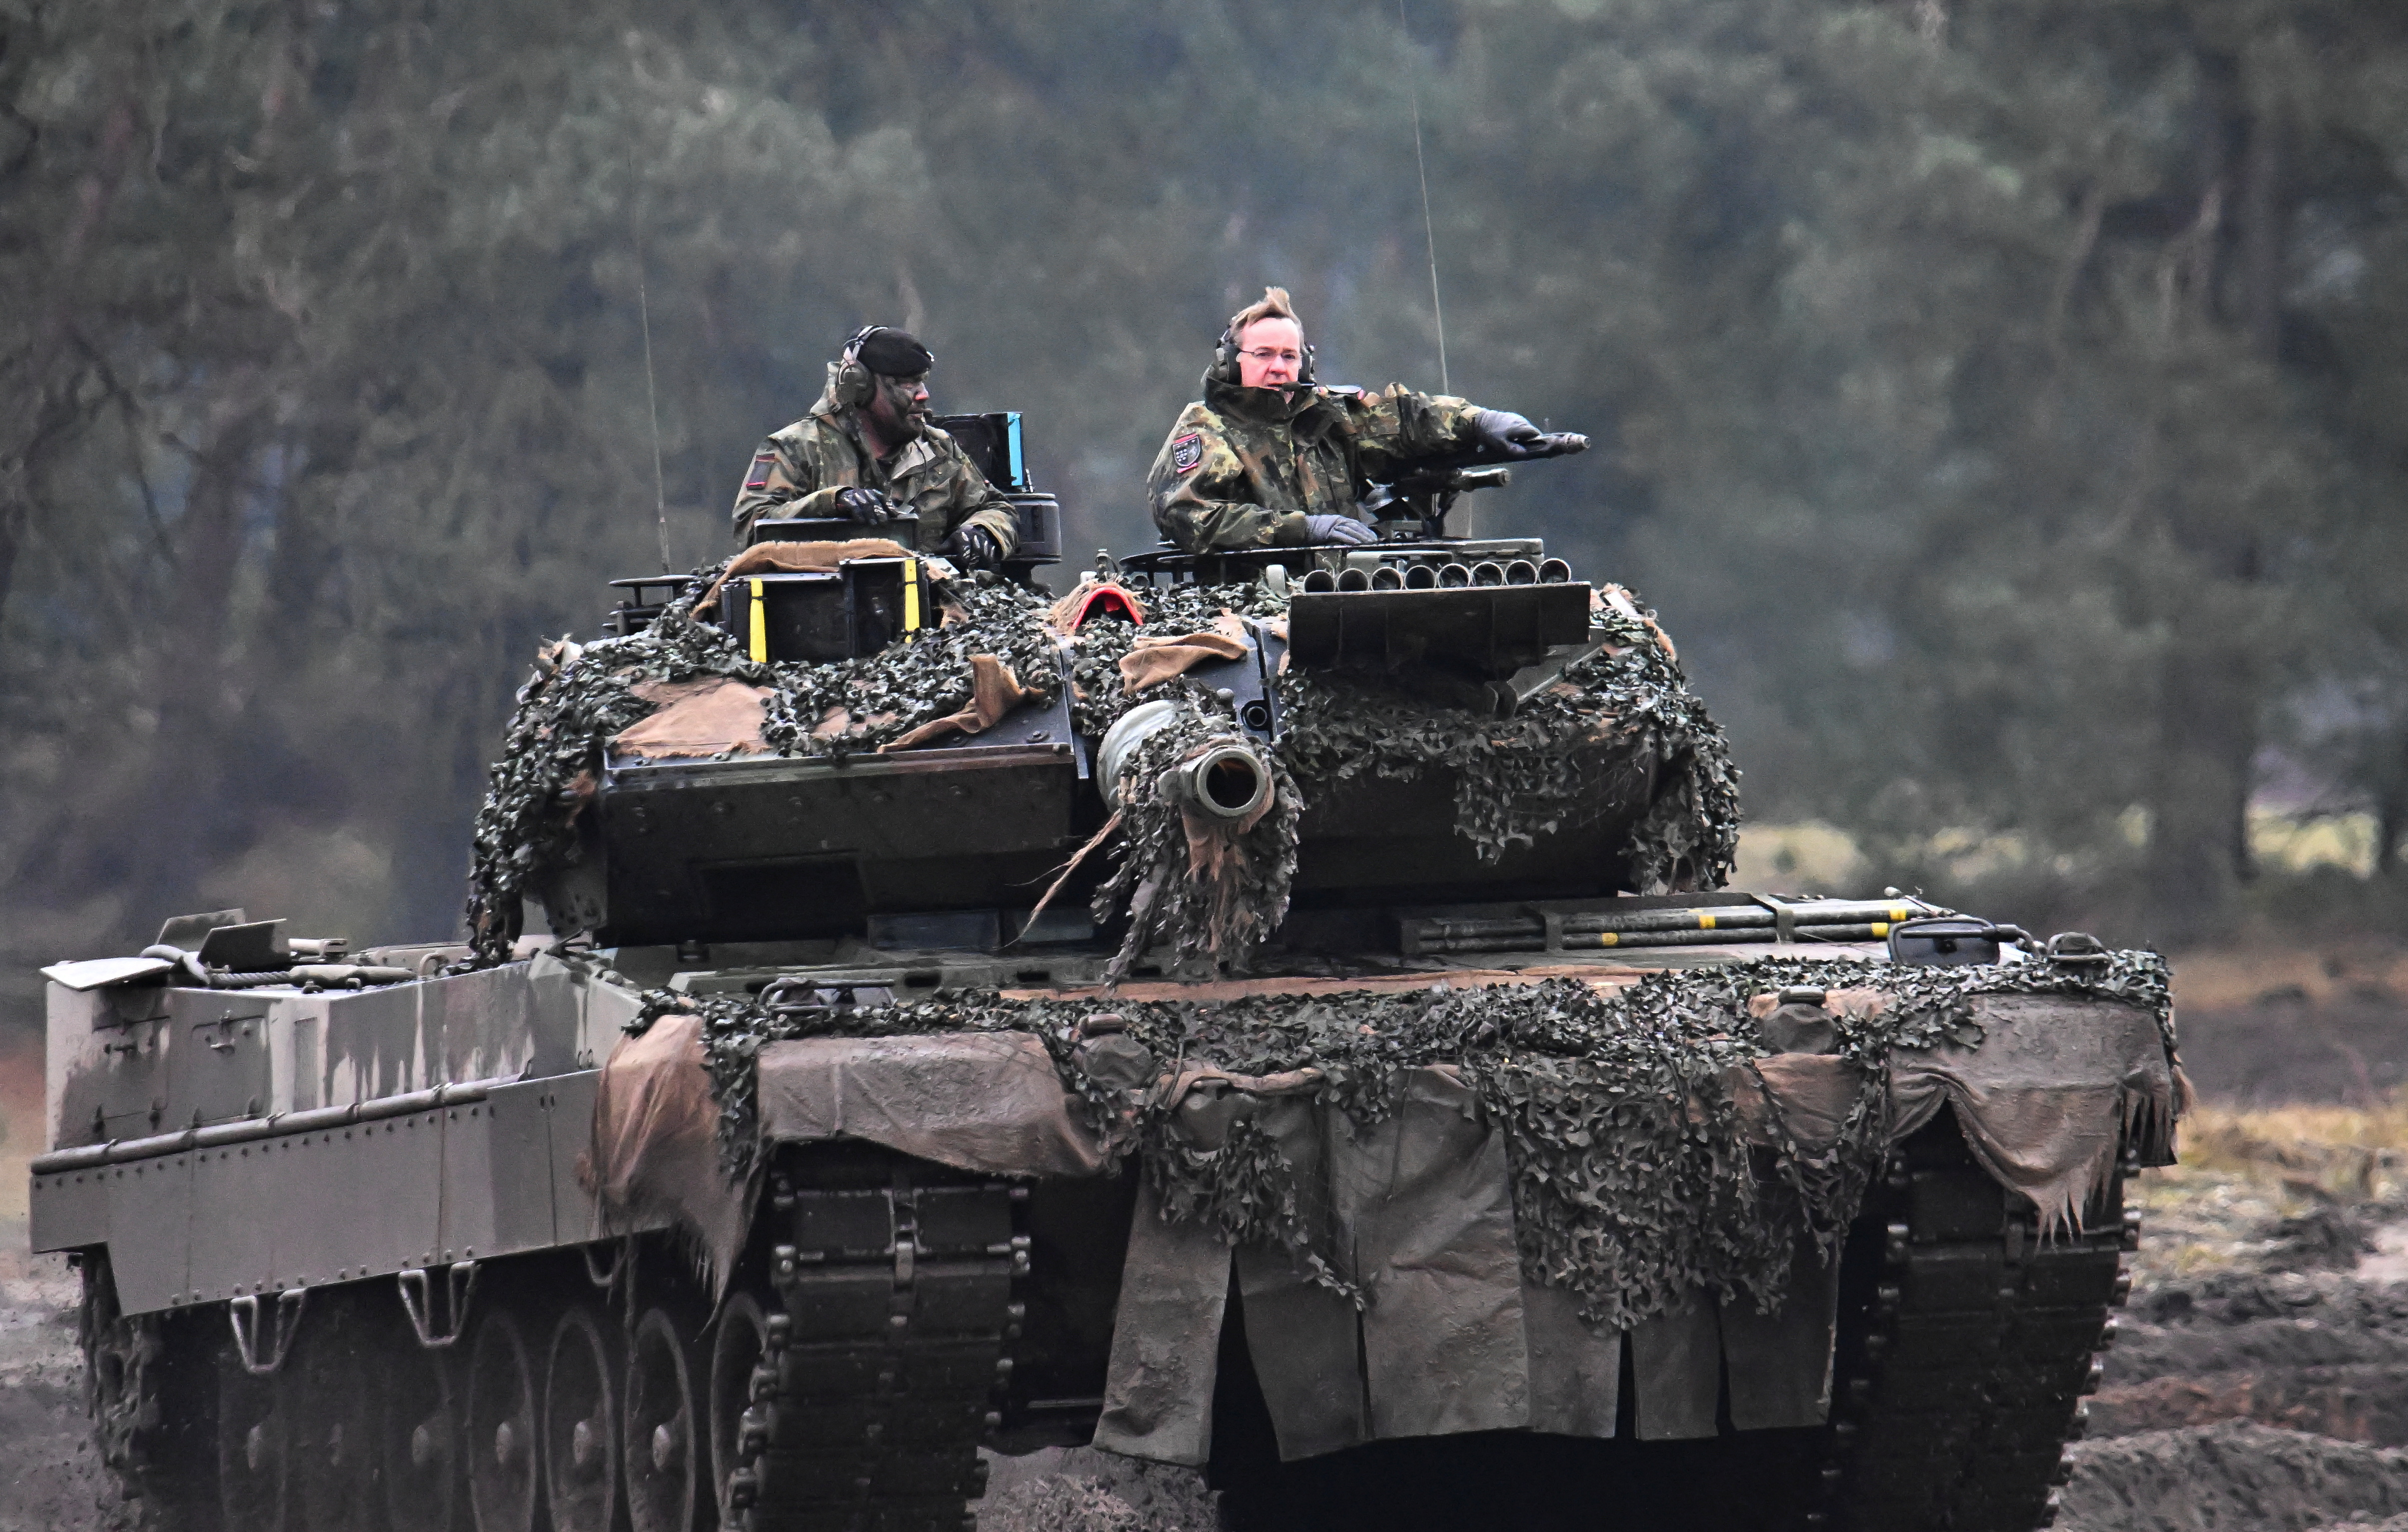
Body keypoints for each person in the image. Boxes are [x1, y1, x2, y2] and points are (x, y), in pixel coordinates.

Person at [1145, 287, 1568, 553]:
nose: (1279, 367)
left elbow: (1404, 422)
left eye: (1289, 356)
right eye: (1264, 355)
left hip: (1340, 589)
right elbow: (1190, 517)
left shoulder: (1324, 418)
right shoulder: (1207, 428)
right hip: (1249, 598)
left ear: (1305, 364)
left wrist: (1481, 422)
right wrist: (1303, 529)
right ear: (1232, 362)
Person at [730, 325, 1019, 570]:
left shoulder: (937, 451)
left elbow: (995, 507)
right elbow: (753, 526)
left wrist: (982, 532)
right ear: (861, 387)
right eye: (906, 385)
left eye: (922, 383)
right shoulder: (796, 449)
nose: (923, 396)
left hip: (932, 619)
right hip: (822, 612)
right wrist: (832, 503)